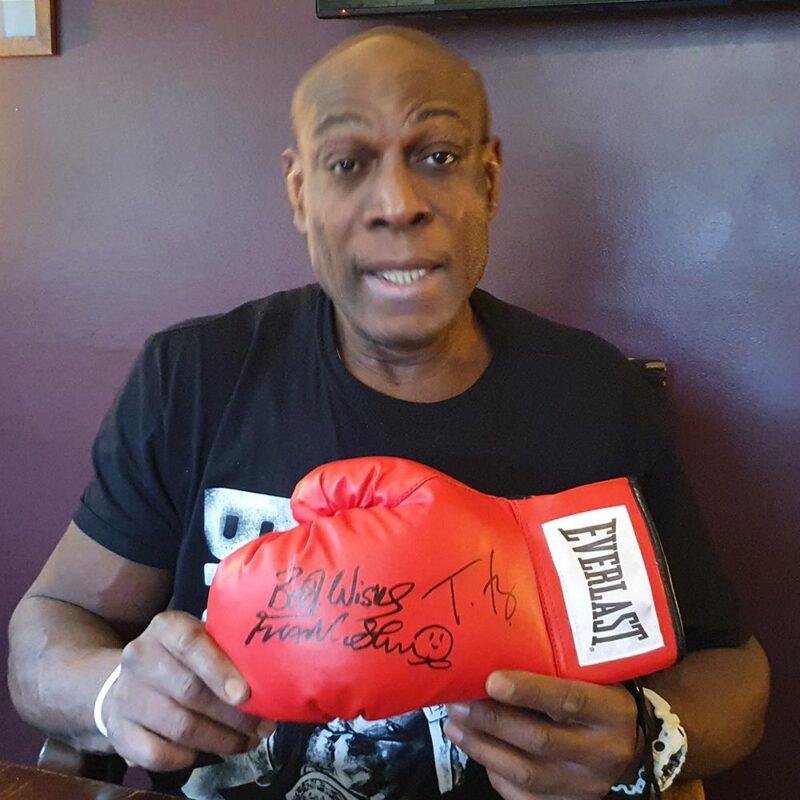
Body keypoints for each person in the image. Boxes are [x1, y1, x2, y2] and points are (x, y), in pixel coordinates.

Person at [8, 27, 768, 800]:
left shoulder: (591, 392)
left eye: (436, 157)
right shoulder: (194, 376)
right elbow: (51, 622)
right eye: (348, 165)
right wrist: (109, 694)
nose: (399, 205)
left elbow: (733, 672)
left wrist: (650, 741)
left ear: (489, 179)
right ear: (301, 192)